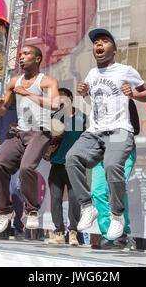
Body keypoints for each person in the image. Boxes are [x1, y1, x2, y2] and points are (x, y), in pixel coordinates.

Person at [65, 28, 146, 240]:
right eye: (96, 42)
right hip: (95, 131)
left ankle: (117, 217)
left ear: (114, 49)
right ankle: (87, 207)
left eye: (104, 41)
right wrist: (84, 94)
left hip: (119, 130)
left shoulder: (125, 70)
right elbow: (95, 104)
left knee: (113, 166)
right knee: (71, 158)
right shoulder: (92, 74)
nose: (99, 45)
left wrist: (134, 93)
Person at [0, 45, 60, 233]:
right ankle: (5, 211)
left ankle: (31, 211)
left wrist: (29, 94)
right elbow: (4, 109)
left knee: (26, 168)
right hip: (19, 132)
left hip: (40, 132)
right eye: (20, 55)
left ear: (38, 59)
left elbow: (55, 105)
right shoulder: (14, 82)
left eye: (26, 54)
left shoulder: (47, 81)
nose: (21, 57)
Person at [90, 99, 139, 250]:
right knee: (97, 191)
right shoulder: (95, 103)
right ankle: (109, 235)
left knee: (116, 188)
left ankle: (123, 234)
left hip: (122, 150)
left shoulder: (125, 101)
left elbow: (135, 129)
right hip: (100, 152)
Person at [47, 88, 86, 246]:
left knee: (75, 200)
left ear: (71, 98)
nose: (61, 101)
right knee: (55, 199)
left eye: (64, 98)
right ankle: (58, 232)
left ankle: (74, 232)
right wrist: (47, 149)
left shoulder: (82, 117)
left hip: (75, 165)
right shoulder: (53, 117)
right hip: (56, 164)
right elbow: (45, 141)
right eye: (58, 99)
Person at [0, 106, 25, 240]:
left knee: (15, 189)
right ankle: (3, 230)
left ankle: (19, 228)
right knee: (1, 192)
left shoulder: (26, 107)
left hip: (19, 157)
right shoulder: (1, 110)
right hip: (0, 156)